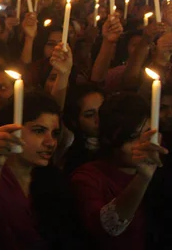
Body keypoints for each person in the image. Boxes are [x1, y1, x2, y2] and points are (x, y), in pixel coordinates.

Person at [0, 91, 84, 249]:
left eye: (55, 133)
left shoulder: (52, 177)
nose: (50, 142)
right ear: (10, 130)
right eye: (39, 131)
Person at [70, 93, 168, 249]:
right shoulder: (88, 177)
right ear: (110, 138)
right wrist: (142, 178)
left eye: (149, 134)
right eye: (132, 137)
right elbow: (107, 229)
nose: (143, 144)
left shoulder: (163, 169)